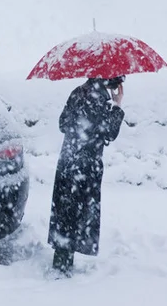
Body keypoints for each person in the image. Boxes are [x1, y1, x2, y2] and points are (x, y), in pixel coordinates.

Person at [47, 75, 125, 278]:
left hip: (68, 161)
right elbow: (108, 132)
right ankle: (63, 267)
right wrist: (116, 106)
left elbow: (63, 124)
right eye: (118, 78)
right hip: (86, 165)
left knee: (65, 211)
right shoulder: (99, 98)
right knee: (79, 212)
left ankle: (61, 259)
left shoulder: (78, 91)